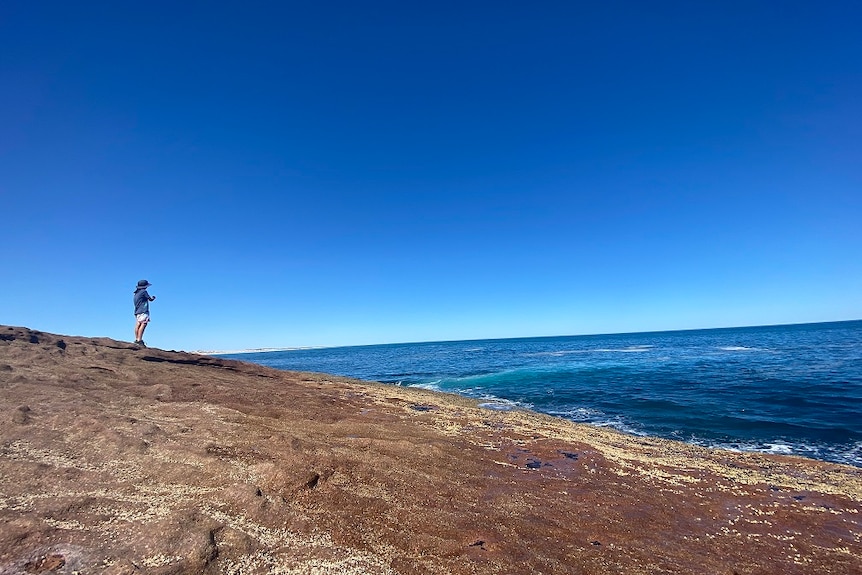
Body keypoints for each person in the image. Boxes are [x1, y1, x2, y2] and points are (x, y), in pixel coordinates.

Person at [133, 280, 156, 347]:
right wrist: (153, 298)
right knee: (143, 324)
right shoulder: (144, 292)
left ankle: (137, 339)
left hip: (137, 311)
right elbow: (150, 299)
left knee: (138, 324)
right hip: (143, 310)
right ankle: (139, 340)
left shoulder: (136, 293)